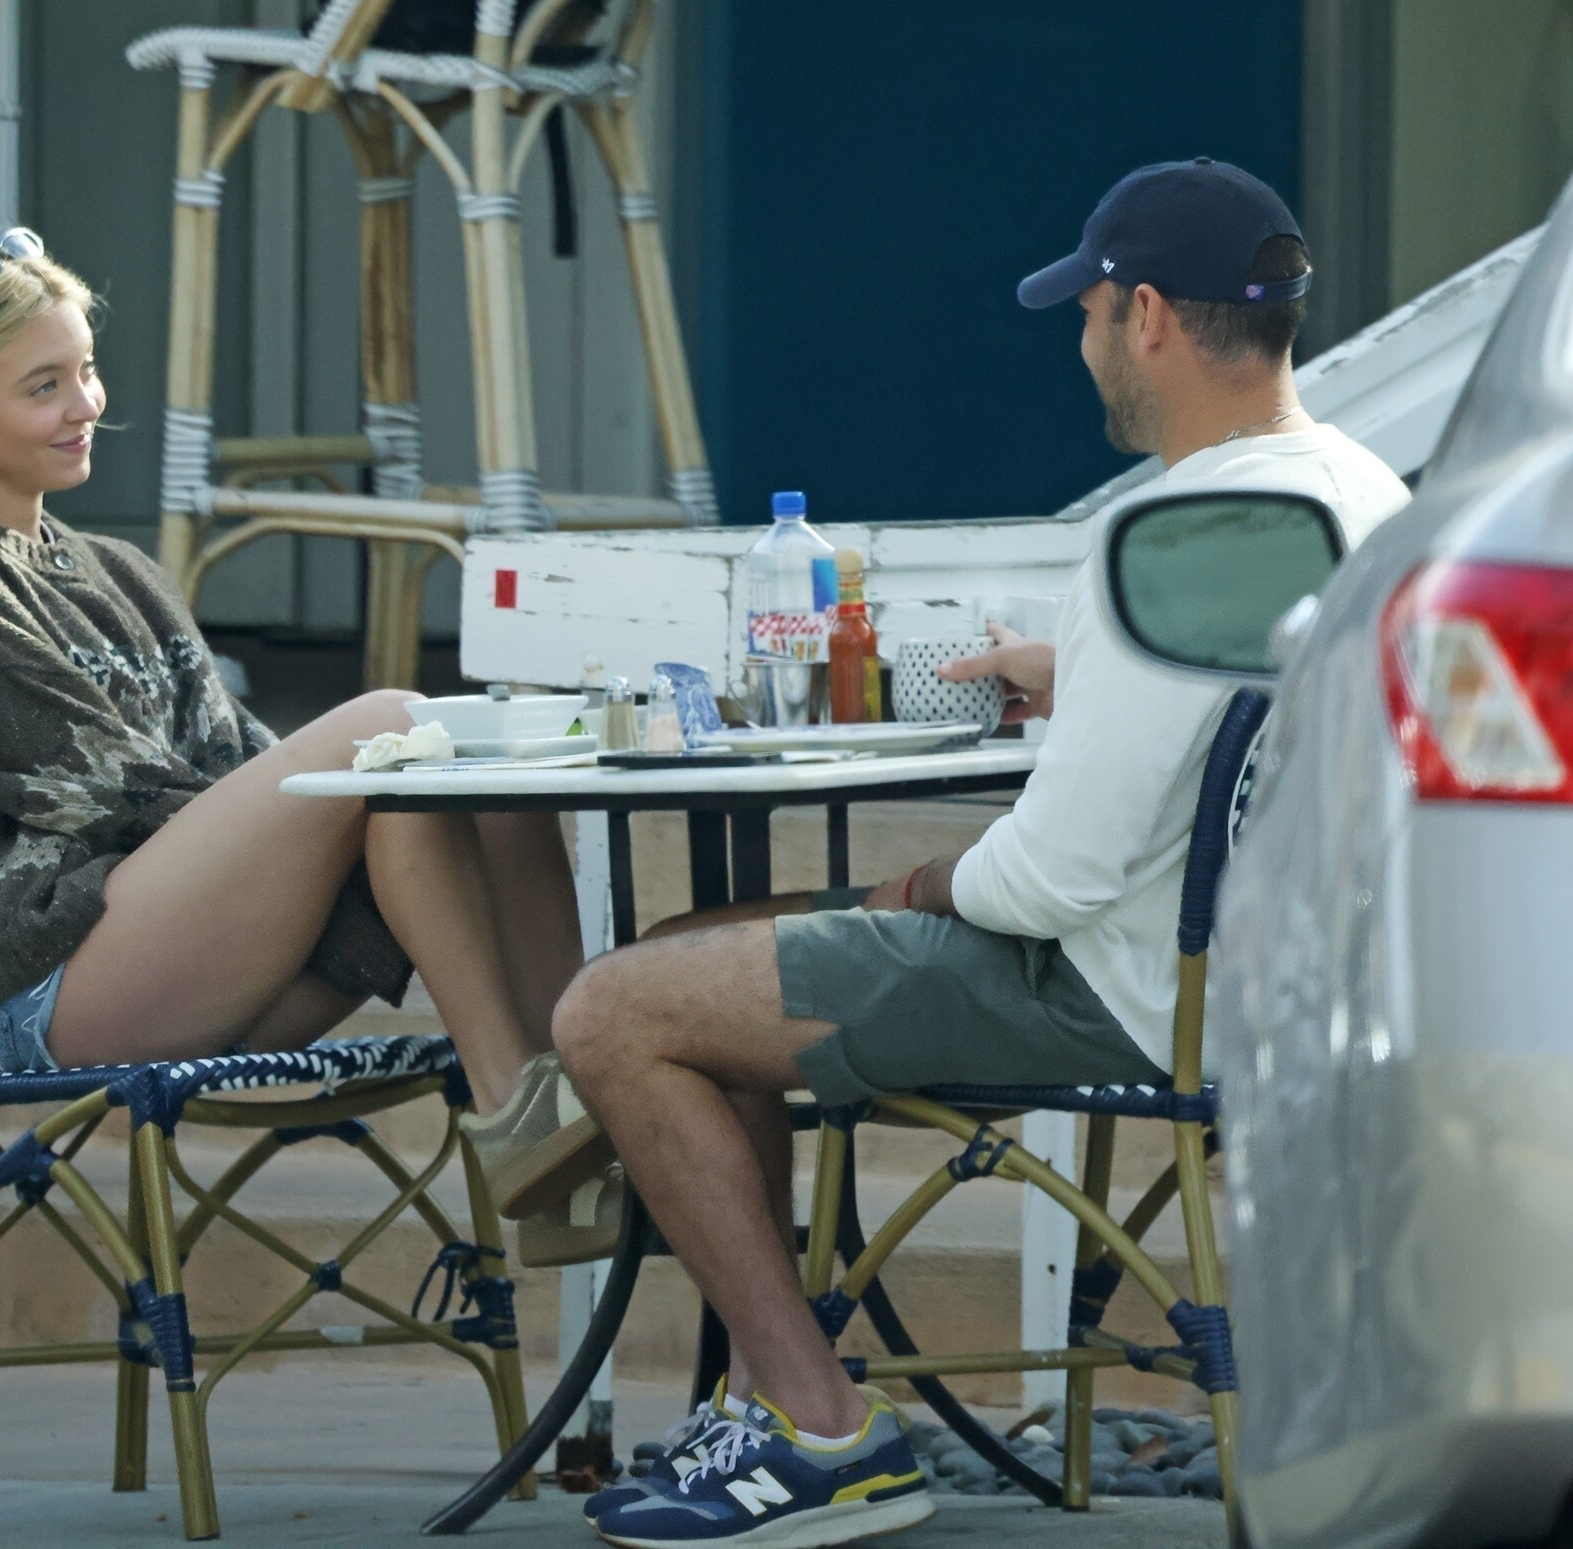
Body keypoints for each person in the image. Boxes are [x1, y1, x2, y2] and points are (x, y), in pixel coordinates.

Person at [538, 159, 1412, 1549]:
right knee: (691, 957)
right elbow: (1248, 695)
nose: (1085, 347)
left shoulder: (1156, 531)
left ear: (1145, 316)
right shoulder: (1363, 494)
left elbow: (1048, 880)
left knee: (612, 1010)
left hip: (1117, 989)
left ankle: (820, 1430)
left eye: (1090, 315)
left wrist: (921, 886)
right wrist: (1080, 667)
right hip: (1281, 988)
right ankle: (764, 1403)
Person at [0, 232, 594, 1254]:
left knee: (471, 778)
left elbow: (238, 762)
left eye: (87, 370)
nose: (85, 404)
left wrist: (357, 818)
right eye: (43, 386)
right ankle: (517, 1119)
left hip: (197, 955)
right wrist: (326, 820)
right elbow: (109, 789)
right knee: (389, 731)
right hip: (65, 987)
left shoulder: (117, 571)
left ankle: (581, 1126)